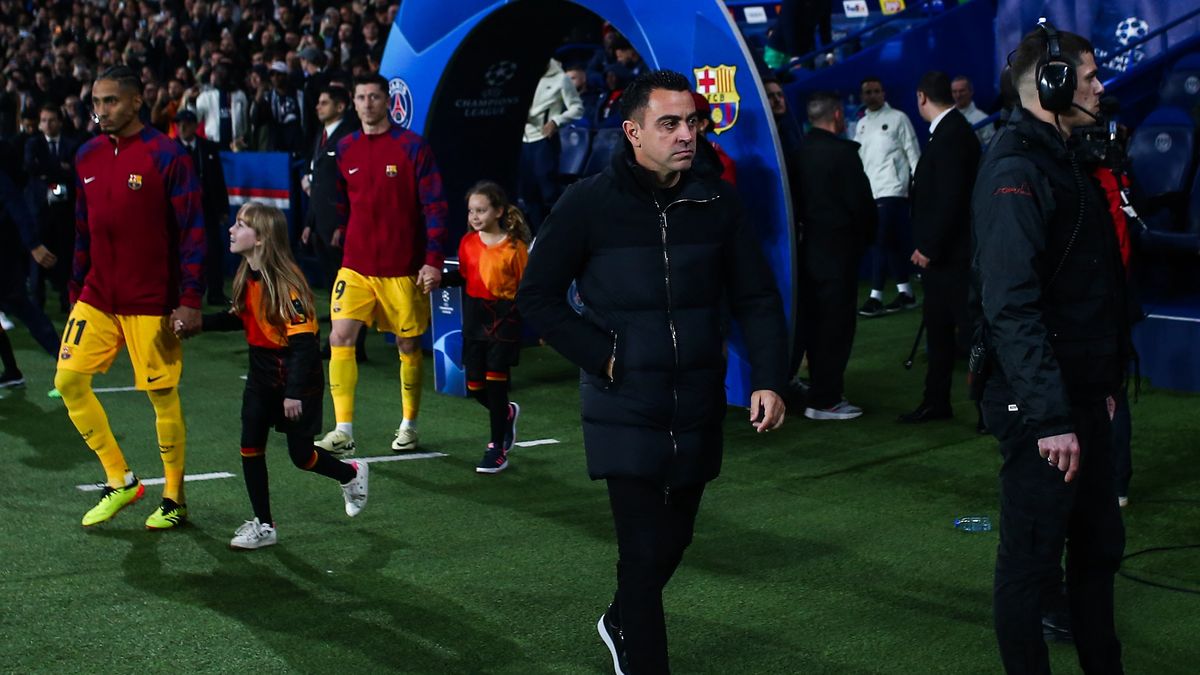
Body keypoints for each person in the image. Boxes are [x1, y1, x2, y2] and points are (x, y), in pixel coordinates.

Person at [517, 70, 788, 674]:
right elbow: (536, 297)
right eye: (670, 124)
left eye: (692, 121)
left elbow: (756, 298)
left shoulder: (718, 200)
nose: (687, 134)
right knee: (641, 551)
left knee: (674, 541)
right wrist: (605, 356)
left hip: (696, 400)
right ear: (633, 132)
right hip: (622, 403)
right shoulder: (587, 201)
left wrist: (769, 376)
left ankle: (619, 619)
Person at [972, 23, 1128, 673]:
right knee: (1031, 565)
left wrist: (1104, 389)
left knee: (1096, 556)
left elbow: (1091, 288)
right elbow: (1012, 307)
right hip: (1042, 410)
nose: (1098, 86)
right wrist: (1053, 416)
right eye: (1089, 75)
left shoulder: (1069, 159)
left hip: (1084, 397)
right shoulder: (1016, 166)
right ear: (1056, 84)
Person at [56, 65, 205, 529]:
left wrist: (191, 298)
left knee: (161, 396)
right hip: (98, 295)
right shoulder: (86, 156)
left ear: (136, 102)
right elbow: (82, 228)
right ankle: (121, 480)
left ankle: (175, 498)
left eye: (111, 101)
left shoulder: (168, 156)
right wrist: (77, 285)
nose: (101, 111)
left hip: (152, 300)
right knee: (68, 382)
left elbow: (193, 232)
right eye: (96, 102)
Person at [195, 203, 368, 550]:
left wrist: (293, 393)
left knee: (301, 456)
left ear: (260, 239)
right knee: (249, 446)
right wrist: (198, 323)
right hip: (261, 374)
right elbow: (240, 318)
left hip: (295, 376)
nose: (231, 230)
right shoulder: (246, 275)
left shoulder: (288, 283)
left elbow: (304, 346)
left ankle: (351, 474)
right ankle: (264, 525)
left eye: (240, 225)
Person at [314, 73, 449, 457]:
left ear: (388, 101)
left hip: (402, 268)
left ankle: (409, 424)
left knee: (407, 344)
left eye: (375, 96)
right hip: (355, 266)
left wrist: (433, 261)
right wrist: (339, 226)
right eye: (361, 97)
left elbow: (435, 206)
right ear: (353, 104)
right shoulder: (346, 148)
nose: (368, 103)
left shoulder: (412, 148)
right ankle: (342, 430)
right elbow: (340, 195)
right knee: (340, 337)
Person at [898, 71, 981, 424]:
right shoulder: (951, 132)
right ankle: (936, 401)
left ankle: (989, 410)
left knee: (971, 333)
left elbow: (951, 199)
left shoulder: (951, 136)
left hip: (953, 258)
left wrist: (929, 247)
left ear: (921, 98)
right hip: (944, 259)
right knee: (939, 334)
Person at [794, 91, 877, 421]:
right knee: (835, 329)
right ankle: (825, 398)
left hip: (807, 254)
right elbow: (863, 207)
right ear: (839, 116)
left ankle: (820, 391)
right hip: (838, 255)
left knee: (815, 326)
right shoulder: (843, 155)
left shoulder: (798, 154)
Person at [441, 182, 530, 474]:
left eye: (481, 210)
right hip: (475, 321)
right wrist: (437, 280)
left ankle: (496, 447)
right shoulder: (467, 242)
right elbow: (465, 277)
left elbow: (527, 289)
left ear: (499, 211)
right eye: (471, 211)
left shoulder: (515, 247)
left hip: (504, 322)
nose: (475, 216)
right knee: (476, 386)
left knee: (495, 384)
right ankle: (506, 412)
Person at [855, 76, 921, 317]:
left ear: (883, 94)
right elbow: (861, 160)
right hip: (872, 191)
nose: (871, 95)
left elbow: (913, 152)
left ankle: (875, 296)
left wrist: (917, 183)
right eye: (867, 92)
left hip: (893, 189)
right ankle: (906, 293)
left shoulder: (898, 119)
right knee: (889, 242)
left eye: (875, 91)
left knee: (880, 241)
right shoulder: (861, 125)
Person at [24, 103, 79, 313]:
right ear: (39, 123)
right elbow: (31, 167)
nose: (48, 124)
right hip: (39, 211)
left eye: (52, 120)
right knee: (38, 257)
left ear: (60, 122)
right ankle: (37, 303)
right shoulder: (33, 144)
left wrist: (48, 170)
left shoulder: (71, 145)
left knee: (66, 258)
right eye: (44, 120)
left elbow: (73, 171)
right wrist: (59, 167)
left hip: (64, 212)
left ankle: (68, 301)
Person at [520, 58, 584, 231]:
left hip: (544, 140)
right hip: (524, 141)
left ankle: (563, 233)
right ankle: (538, 237)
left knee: (549, 192)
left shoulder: (560, 79)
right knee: (529, 194)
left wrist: (556, 121)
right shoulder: (523, 75)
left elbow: (577, 107)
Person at [176, 109, 231, 306]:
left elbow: (218, 179)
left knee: (214, 250)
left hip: (207, 208)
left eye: (185, 124)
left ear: (193, 126)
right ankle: (180, 294)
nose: (181, 128)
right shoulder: (171, 148)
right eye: (179, 124)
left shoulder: (207, 148)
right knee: (178, 251)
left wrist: (223, 209)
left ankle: (215, 293)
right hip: (180, 210)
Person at [952, 76, 996, 147]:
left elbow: (991, 147)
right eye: (954, 91)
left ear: (971, 92)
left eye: (962, 91)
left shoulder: (982, 118)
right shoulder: (947, 118)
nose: (958, 95)